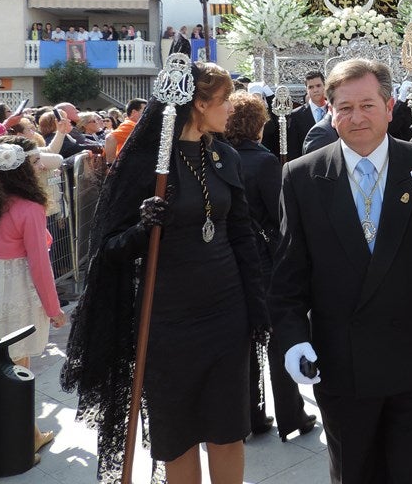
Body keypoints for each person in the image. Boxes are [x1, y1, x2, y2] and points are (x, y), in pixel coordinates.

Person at [269, 58, 412, 484]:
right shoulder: (302, 176)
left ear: (389, 105)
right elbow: (290, 273)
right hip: (343, 363)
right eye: (344, 107)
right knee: (354, 473)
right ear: (329, 109)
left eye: (367, 104)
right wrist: (291, 340)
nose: (356, 117)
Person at [61, 62, 267, 484]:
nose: (230, 108)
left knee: (229, 432)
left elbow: (242, 235)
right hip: (168, 321)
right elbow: (108, 251)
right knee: (179, 436)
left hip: (227, 315)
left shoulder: (224, 155)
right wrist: (141, 228)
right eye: (224, 100)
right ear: (199, 104)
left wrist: (258, 306)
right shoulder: (148, 165)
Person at [0, 136, 66, 458]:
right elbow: (39, 265)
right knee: (19, 370)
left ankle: (20, 435)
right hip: (17, 294)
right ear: (24, 172)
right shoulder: (30, 207)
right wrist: (54, 309)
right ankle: (24, 439)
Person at [224, 91, 318, 439]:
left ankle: (250, 414)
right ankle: (291, 414)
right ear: (257, 125)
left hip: (231, 259)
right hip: (263, 260)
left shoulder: (222, 157)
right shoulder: (263, 162)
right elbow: (281, 217)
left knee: (246, 341)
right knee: (278, 338)